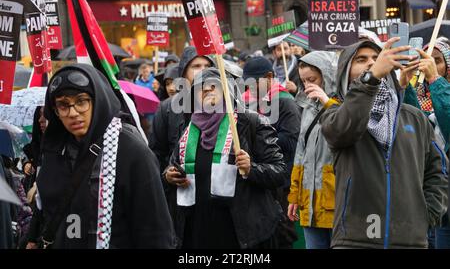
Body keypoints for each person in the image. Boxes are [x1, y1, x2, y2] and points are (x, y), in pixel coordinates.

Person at [320, 38, 448, 249]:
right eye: (361, 59)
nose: (372, 62)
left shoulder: (413, 116)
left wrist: (426, 215)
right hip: (355, 241)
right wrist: (371, 79)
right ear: (345, 71)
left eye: (375, 57)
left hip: (409, 241)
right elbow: (345, 129)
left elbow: (438, 170)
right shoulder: (334, 115)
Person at [32, 64, 175, 249]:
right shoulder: (53, 148)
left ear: (97, 100)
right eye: (63, 105)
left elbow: (155, 232)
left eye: (81, 101)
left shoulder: (131, 151)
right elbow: (47, 213)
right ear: (55, 110)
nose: (73, 113)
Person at [164, 68, 286, 248]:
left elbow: (280, 172)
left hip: (237, 231)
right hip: (196, 228)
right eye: (200, 88)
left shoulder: (250, 122)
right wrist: (168, 175)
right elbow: (171, 166)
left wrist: (251, 169)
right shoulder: (188, 128)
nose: (206, 91)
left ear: (226, 90)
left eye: (213, 86)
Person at [242, 56, 301, 248]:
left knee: (283, 230)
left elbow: (292, 140)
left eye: (253, 83)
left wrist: (260, 137)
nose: (249, 89)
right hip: (264, 177)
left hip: (283, 180)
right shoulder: (252, 102)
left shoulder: (285, 102)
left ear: (269, 77)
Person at [400, 36, 450, 249]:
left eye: (437, 60)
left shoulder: (437, 87)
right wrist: (403, 85)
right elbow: (417, 126)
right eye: (426, 59)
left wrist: (435, 79)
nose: (430, 64)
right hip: (437, 196)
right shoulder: (423, 94)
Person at [287, 51, 339, 249]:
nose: (308, 85)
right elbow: (300, 154)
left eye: (313, 79)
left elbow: (347, 129)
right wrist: (294, 196)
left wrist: (328, 103)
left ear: (328, 75)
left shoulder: (346, 103)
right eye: (304, 81)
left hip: (336, 200)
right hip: (309, 202)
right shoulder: (307, 107)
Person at [150, 46, 214, 173]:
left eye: (207, 66)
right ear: (184, 72)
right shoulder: (166, 108)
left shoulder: (223, 105)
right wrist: (166, 175)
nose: (203, 71)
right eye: (196, 66)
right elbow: (156, 154)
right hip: (179, 189)